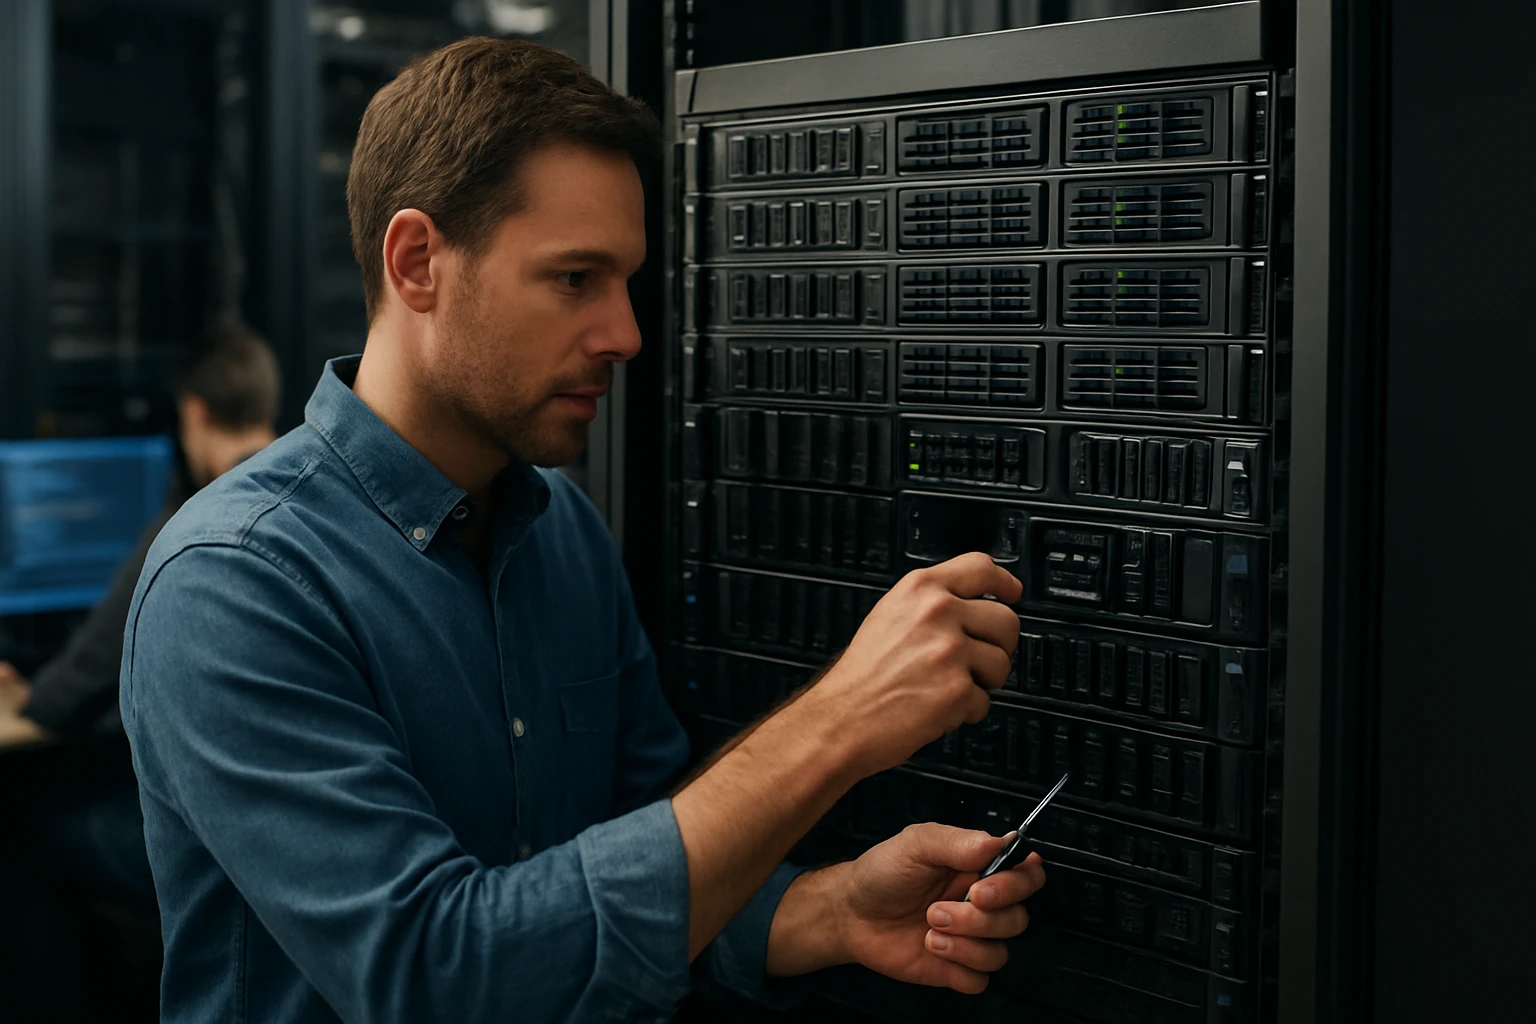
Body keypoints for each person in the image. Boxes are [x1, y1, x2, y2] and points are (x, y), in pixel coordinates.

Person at [119, 38, 1045, 1024]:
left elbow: (636, 864)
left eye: (626, 281)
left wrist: (826, 909)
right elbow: (438, 976)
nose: (626, 333)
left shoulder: (562, 530)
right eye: (575, 279)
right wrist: (839, 724)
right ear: (417, 262)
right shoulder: (236, 582)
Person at [0, 324, 281, 1021]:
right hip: (292, 835)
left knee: (17, 837)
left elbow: (66, 697)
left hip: (225, 848)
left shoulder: (195, 525)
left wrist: (31, 697)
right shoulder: (319, 502)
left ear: (194, 411)